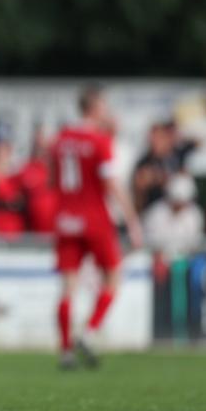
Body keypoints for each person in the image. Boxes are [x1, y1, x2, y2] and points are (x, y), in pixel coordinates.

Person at [50, 85, 143, 370]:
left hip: (66, 219)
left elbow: (55, 177)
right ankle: (89, 333)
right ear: (95, 108)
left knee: (68, 287)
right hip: (95, 218)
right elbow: (111, 185)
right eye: (104, 106)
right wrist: (132, 221)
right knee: (114, 276)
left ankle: (65, 352)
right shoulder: (100, 141)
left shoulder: (61, 139)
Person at [143, 173, 204, 257]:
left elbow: (194, 242)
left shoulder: (194, 215)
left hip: (185, 258)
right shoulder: (156, 212)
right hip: (157, 259)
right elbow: (150, 239)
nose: (179, 205)